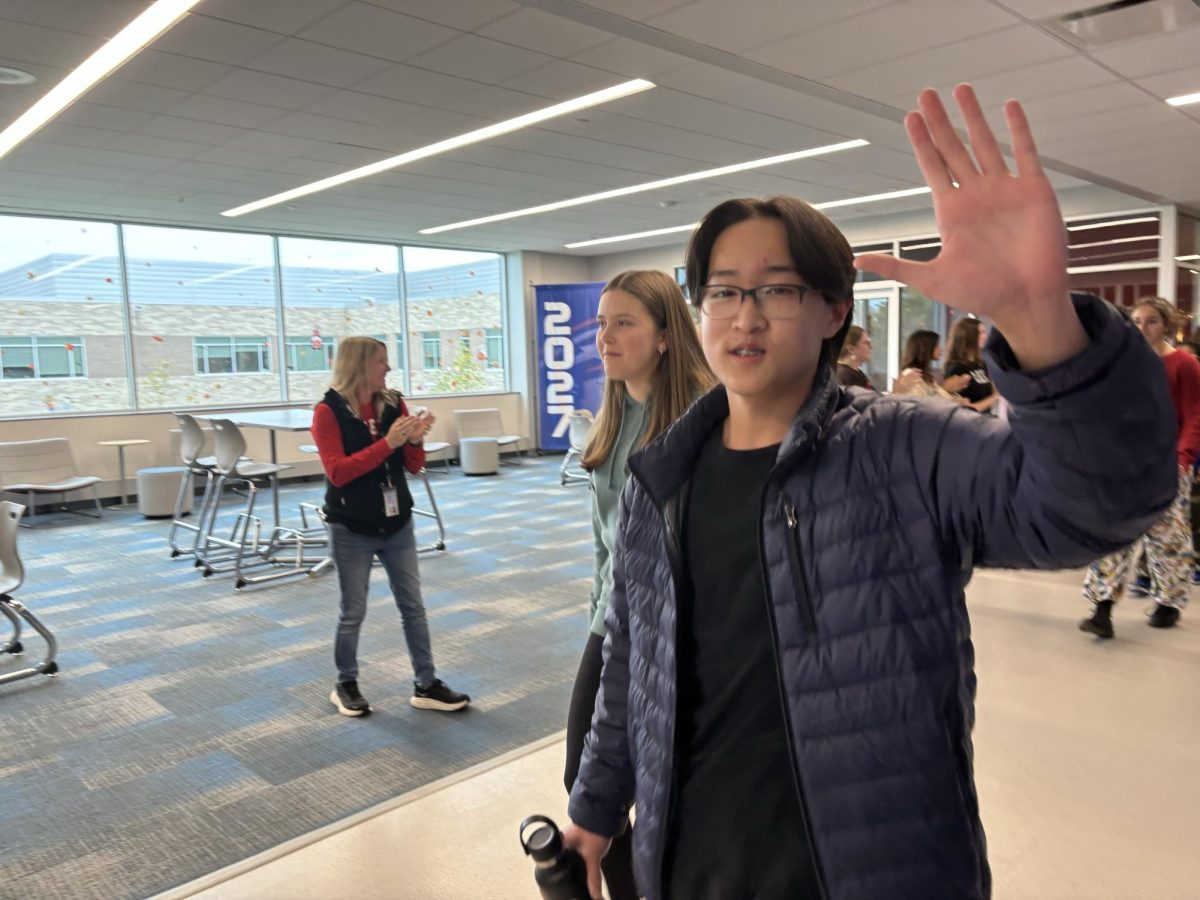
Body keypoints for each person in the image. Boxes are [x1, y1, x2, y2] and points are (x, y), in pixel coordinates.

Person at [563, 85, 1176, 900]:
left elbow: (1094, 506)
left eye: (777, 289)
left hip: (871, 868)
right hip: (690, 863)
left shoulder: (905, 443)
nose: (745, 315)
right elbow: (631, 666)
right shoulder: (662, 476)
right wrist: (595, 807)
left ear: (832, 311)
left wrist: (1040, 323)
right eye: (722, 290)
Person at [565, 270, 716, 900]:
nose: (605, 337)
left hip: (676, 630)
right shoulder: (612, 415)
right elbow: (608, 541)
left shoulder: (700, 418)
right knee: (585, 780)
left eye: (623, 322)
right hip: (612, 621)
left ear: (663, 336)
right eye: (601, 323)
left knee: (666, 794)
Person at [312, 336, 470, 717]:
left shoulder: (392, 403)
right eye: (381, 361)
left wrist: (412, 440)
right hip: (350, 526)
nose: (388, 368)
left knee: (413, 606)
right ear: (361, 364)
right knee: (353, 610)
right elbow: (338, 472)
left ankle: (426, 684)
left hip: (396, 521)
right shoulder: (328, 411)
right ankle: (345, 683)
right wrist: (387, 443)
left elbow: (412, 465)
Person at [1080, 296, 1200, 636]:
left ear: (1166, 326)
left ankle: (1169, 601)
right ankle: (1101, 608)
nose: (1142, 327)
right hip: (1123, 463)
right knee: (1112, 532)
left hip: (1168, 463)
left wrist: (1183, 457)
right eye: (1136, 320)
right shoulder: (1121, 363)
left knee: (1168, 537)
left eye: (1151, 321)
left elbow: (1195, 415)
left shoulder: (1184, 364)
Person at [944, 316, 1001, 413]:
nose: (985, 336)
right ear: (969, 336)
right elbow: (965, 410)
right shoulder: (957, 368)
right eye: (981, 332)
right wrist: (995, 397)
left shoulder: (981, 364)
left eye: (984, 332)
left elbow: (994, 391)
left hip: (985, 421)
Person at [892, 329, 968, 399]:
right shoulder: (911, 375)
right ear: (926, 347)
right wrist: (946, 389)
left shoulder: (926, 375)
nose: (941, 349)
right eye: (937, 345)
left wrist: (954, 393)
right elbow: (924, 406)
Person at [836, 325, 875, 389]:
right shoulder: (844, 376)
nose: (871, 347)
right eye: (866, 343)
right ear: (851, 350)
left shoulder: (857, 373)